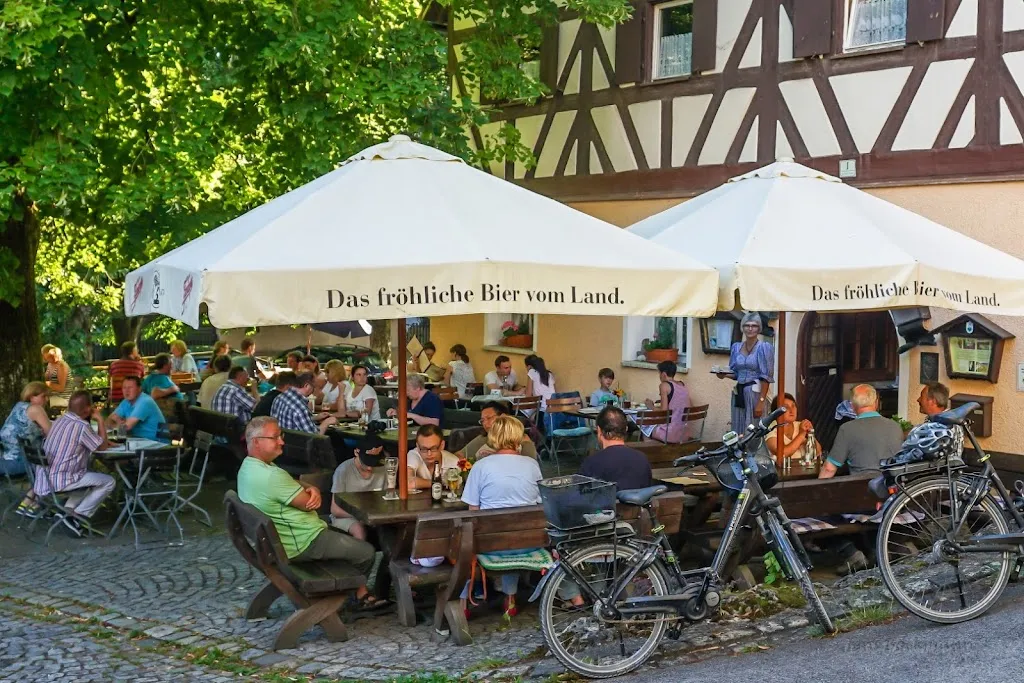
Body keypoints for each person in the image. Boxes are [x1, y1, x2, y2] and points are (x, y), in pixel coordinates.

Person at [237, 417, 384, 609]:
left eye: (280, 435)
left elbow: (292, 482)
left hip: (283, 542)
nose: (281, 441)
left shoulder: (250, 468)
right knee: (366, 552)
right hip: (303, 543)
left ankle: (357, 591)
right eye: (275, 437)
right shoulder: (271, 475)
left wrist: (308, 486)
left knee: (349, 536)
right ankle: (338, 599)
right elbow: (311, 504)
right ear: (256, 442)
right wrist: (311, 492)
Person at [460, 416, 545, 618]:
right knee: (513, 533)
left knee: (464, 542)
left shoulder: (481, 467)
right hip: (529, 542)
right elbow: (541, 502)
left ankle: (462, 602)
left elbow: (473, 512)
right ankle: (511, 598)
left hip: (493, 545)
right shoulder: (532, 465)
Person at [33, 391, 115, 535]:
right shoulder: (81, 426)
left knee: (88, 479)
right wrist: (100, 420)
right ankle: (78, 516)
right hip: (61, 480)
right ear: (88, 409)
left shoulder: (59, 421)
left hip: (45, 478)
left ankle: (67, 513)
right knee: (108, 481)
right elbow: (102, 447)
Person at [819, 384, 903, 479]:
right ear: (877, 402)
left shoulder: (847, 429)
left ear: (852, 406)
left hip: (862, 488)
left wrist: (816, 490)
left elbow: (829, 469)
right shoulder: (895, 426)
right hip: (892, 486)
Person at [717, 312, 775, 433]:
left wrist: (761, 402)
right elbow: (736, 374)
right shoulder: (736, 347)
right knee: (738, 428)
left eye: (754, 325)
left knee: (753, 429)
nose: (750, 328)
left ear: (759, 328)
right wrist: (724, 375)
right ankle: (739, 452)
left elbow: (766, 377)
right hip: (739, 392)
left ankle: (753, 452)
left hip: (755, 393)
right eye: (746, 325)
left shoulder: (764, 347)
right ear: (742, 327)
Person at [328, 432, 387, 540]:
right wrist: (362, 517)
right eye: (366, 462)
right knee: (359, 529)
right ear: (356, 452)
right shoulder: (343, 470)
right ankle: (363, 555)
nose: (370, 468)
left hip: (376, 516)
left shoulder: (383, 468)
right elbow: (335, 509)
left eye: (374, 462)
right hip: (347, 515)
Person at [579, 406, 652, 490]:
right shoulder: (642, 459)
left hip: (607, 503)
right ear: (626, 429)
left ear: (599, 430)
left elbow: (581, 495)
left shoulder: (591, 463)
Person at [0, 382, 51, 477]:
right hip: (20, 463)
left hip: (5, 459)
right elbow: (52, 434)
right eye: (44, 396)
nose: (47, 400)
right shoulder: (36, 409)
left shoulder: (19, 406)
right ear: (32, 397)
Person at [458, 401, 537, 461]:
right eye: (482, 421)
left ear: (503, 417)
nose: (485, 423)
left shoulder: (522, 440)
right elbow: (459, 456)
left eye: (489, 418)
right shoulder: (483, 439)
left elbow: (530, 466)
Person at [271, 372, 337, 435]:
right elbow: (315, 437)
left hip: (283, 442)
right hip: (298, 445)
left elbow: (295, 420)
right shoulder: (300, 407)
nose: (314, 390)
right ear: (307, 386)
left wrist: (315, 418)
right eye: (314, 387)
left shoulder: (278, 398)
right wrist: (327, 422)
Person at [643, 360, 691, 443]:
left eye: (659, 374)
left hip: (669, 433)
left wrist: (651, 406)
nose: (659, 376)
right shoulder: (681, 385)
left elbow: (663, 412)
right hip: (683, 433)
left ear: (663, 374)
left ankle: (649, 453)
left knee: (644, 427)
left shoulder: (664, 386)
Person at [766, 393, 821, 464]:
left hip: (802, 470)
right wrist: (801, 435)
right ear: (776, 411)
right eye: (786, 407)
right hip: (781, 472)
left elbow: (818, 452)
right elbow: (782, 454)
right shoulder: (771, 428)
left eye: (793, 406)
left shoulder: (800, 425)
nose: (791, 410)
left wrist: (811, 434)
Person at [108, 376, 167, 441]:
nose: (127, 390)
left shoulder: (145, 401)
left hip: (158, 443)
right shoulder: (125, 402)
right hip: (140, 440)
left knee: (115, 443)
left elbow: (127, 427)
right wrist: (120, 425)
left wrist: (118, 423)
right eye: (124, 387)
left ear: (139, 389)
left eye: (130, 387)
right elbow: (107, 422)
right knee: (113, 443)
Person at [407, 424, 459, 490]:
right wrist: (440, 484)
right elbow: (408, 482)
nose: (429, 454)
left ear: (442, 445)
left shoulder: (454, 461)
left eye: (433, 448)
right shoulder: (414, 455)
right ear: (417, 446)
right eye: (424, 449)